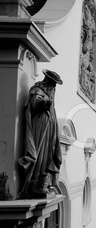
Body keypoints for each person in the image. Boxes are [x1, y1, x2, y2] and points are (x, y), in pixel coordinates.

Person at [19, 69, 63, 198]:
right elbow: (34, 104)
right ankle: (34, 181)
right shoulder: (37, 90)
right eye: (53, 84)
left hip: (49, 129)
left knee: (48, 154)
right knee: (39, 152)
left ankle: (43, 180)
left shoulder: (49, 93)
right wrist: (46, 103)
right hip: (40, 126)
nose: (54, 87)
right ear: (48, 81)